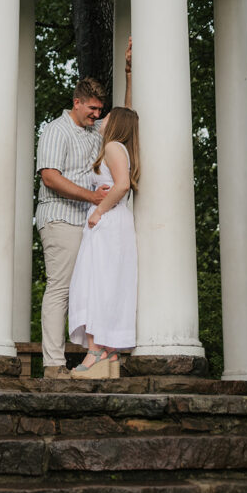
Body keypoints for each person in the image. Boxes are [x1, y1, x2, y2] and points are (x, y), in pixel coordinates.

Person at [36, 43, 131, 379]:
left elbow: (123, 121)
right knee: (60, 287)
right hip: (60, 218)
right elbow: (50, 177)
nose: (96, 114)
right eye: (91, 108)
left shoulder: (94, 131)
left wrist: (129, 74)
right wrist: (93, 199)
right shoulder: (56, 130)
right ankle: (53, 363)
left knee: (90, 288)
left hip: (88, 224)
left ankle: (99, 357)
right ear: (76, 102)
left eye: (99, 109)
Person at [68, 106, 140, 379]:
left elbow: (121, 185)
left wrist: (98, 211)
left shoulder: (112, 146)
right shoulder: (119, 148)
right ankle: (108, 354)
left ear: (116, 122)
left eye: (107, 114)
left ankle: (95, 351)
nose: (101, 117)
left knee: (95, 283)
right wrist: (129, 76)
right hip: (114, 221)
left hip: (107, 221)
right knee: (106, 284)